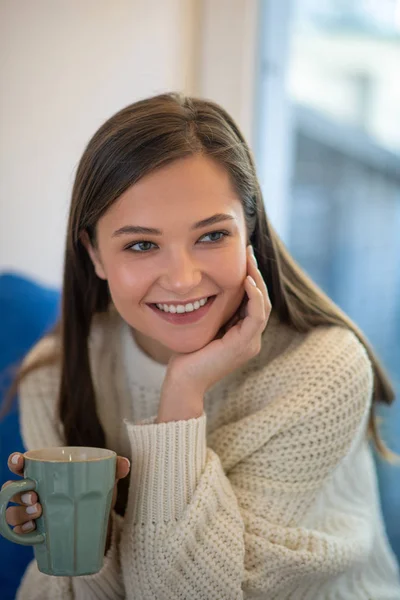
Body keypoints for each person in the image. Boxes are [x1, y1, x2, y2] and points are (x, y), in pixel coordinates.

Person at [1, 92, 399, 599]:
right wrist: (86, 541)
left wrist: (183, 393)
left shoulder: (321, 369)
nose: (184, 280)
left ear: (249, 230)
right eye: (141, 245)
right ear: (94, 254)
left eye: (211, 236)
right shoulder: (55, 374)